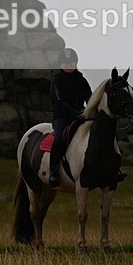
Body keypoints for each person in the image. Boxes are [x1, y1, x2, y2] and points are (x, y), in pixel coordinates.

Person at [48, 48, 92, 189]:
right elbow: (60, 104)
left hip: (80, 117)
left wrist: (90, 110)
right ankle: (53, 172)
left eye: (71, 62)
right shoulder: (56, 81)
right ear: (61, 64)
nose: (69, 65)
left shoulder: (81, 79)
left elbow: (89, 97)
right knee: (60, 138)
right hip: (62, 118)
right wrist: (79, 114)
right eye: (66, 63)